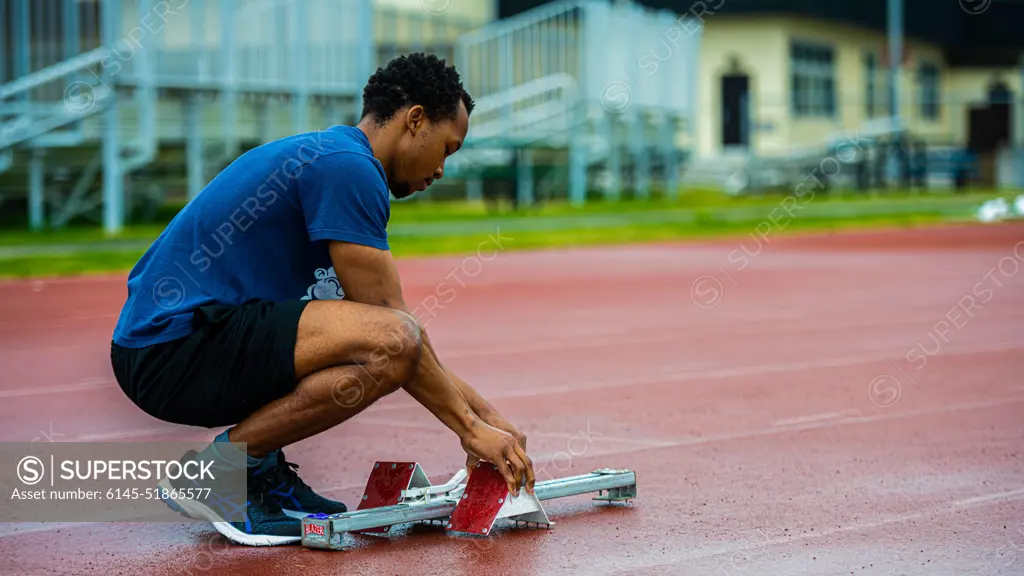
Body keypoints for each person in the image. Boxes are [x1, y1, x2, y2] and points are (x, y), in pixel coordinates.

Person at [109, 53, 535, 546]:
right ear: (414, 119)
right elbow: (398, 335)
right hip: (169, 347)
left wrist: (483, 418)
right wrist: (470, 427)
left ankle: (255, 467)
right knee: (387, 343)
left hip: (194, 339)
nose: (441, 169)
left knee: (376, 349)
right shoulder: (349, 168)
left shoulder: (337, 158)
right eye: (446, 148)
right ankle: (216, 472)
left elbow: (402, 342)